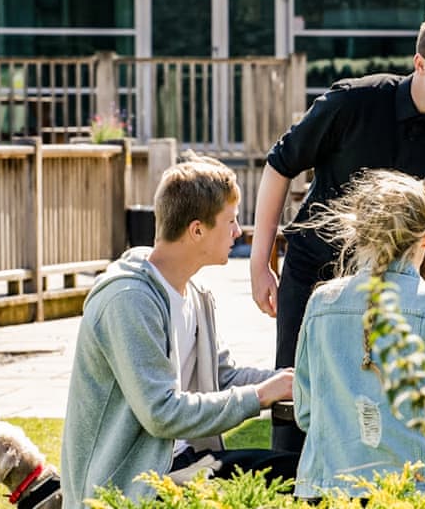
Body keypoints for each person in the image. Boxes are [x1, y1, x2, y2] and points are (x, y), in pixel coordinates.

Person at [249, 7, 425, 452]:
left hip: (398, 300)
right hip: (315, 276)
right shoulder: (352, 102)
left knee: (385, 422)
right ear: (420, 64)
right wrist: (259, 264)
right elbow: (280, 165)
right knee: (300, 415)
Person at [61, 154, 298, 508]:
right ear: (197, 229)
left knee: (300, 474)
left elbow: (224, 376)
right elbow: (161, 413)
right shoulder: (128, 300)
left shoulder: (196, 295)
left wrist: (293, 381)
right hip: (130, 485)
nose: (238, 232)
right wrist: (262, 395)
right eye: (231, 221)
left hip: (184, 465)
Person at [291, 169, 425, 499]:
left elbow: (305, 413)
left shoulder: (322, 302)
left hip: (323, 491)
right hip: (409, 492)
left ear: (359, 231)